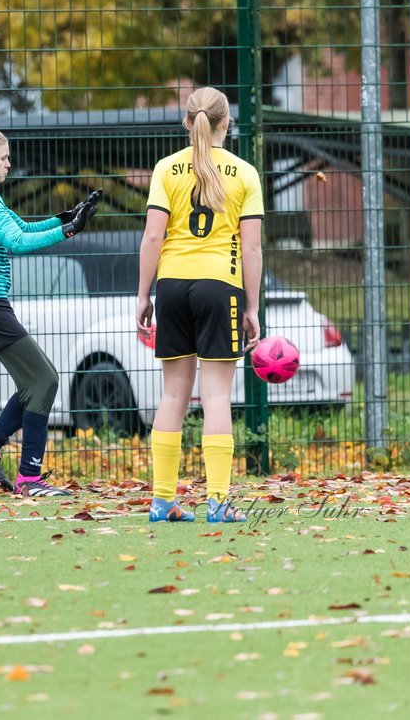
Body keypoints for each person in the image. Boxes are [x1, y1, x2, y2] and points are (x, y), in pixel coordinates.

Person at [0, 126, 102, 498]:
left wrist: (63, 217)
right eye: (3, 158)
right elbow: (16, 242)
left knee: (36, 381)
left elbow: (18, 227)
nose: (9, 164)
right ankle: (29, 479)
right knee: (45, 381)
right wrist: (68, 232)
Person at [136, 87, 263, 523]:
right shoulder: (245, 173)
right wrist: (252, 306)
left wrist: (143, 294)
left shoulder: (166, 169)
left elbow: (153, 237)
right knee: (216, 396)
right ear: (227, 124)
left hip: (171, 286)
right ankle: (218, 502)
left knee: (173, 394)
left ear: (186, 123)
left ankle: (163, 501)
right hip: (218, 288)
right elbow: (251, 249)